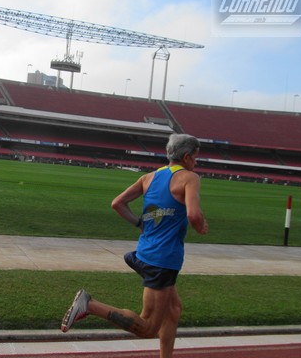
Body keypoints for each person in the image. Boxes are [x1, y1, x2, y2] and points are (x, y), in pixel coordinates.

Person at [60, 133, 208, 358]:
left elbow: (117, 203)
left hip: (145, 253)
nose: (196, 163)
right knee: (148, 327)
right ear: (187, 157)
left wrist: (139, 223)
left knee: (174, 311)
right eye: (196, 158)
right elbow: (193, 214)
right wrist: (200, 226)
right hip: (162, 261)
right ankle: (89, 305)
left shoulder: (148, 178)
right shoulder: (190, 177)